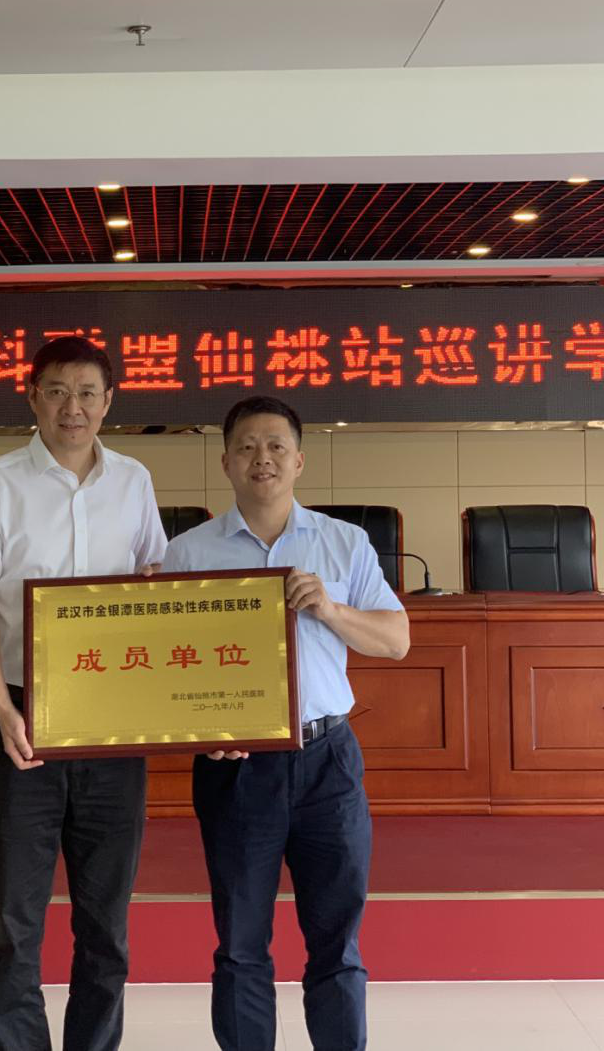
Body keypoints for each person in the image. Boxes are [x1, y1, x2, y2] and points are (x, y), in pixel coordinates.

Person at [0, 335, 167, 1051]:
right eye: (59, 391)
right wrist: (1, 707)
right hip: (22, 717)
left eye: (88, 393)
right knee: (15, 920)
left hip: (114, 722)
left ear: (109, 402)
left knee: (106, 920)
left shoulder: (134, 480)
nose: (74, 407)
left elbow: (157, 586)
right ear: (33, 396)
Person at [163, 396, 409, 1051]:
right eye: (246, 446)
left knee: (337, 939)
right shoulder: (186, 554)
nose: (262, 458)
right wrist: (199, 730)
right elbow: (164, 670)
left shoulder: (343, 542)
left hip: (328, 761)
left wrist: (330, 608)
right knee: (240, 943)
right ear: (225, 462)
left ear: (299, 460)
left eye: (276, 445)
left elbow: (396, 639)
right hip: (237, 768)